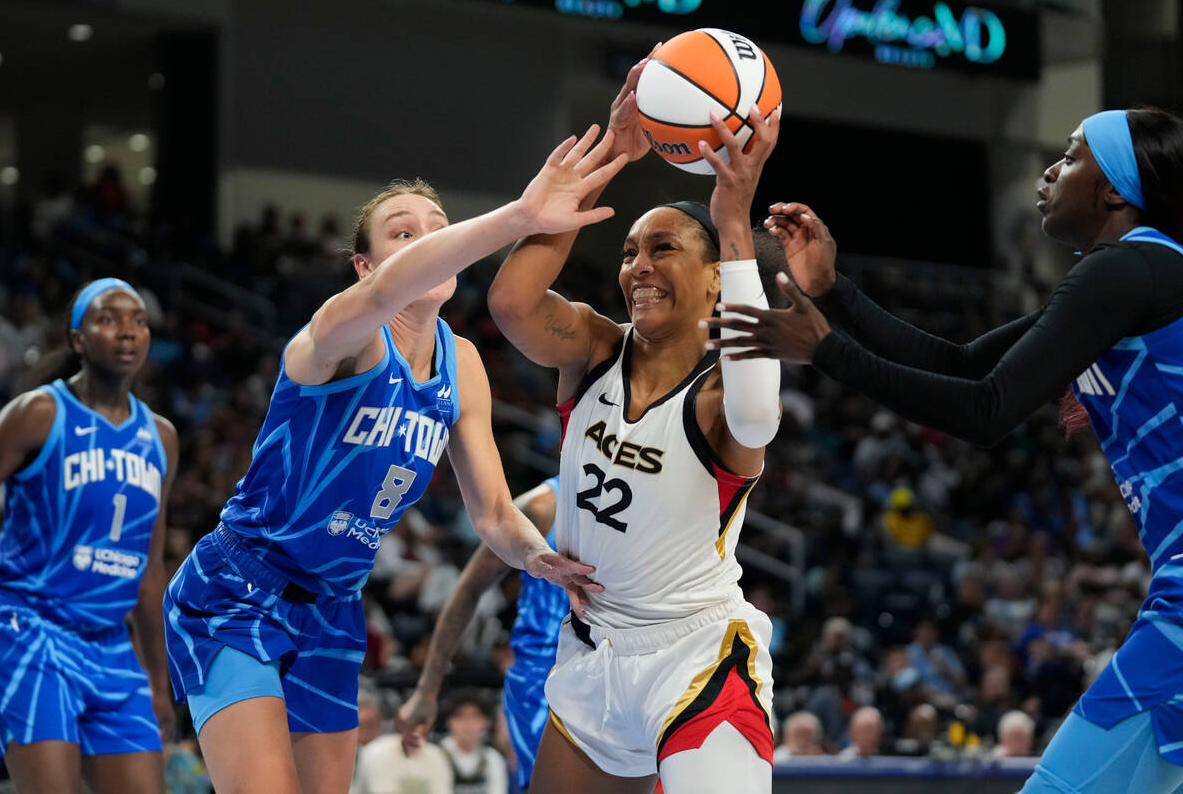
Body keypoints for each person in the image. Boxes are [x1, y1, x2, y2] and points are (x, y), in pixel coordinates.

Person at [702, 107, 1183, 793]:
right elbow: (960, 364)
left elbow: (986, 410)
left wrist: (828, 351)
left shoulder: (1127, 270)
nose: (1049, 171)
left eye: (1071, 157)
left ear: (1114, 190)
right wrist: (834, 292)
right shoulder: (1135, 276)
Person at [162, 128, 625, 794]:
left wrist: (535, 555)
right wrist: (521, 217)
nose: (429, 240)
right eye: (404, 234)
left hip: (334, 608)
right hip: (241, 590)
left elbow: (493, 510)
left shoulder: (461, 363)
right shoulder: (344, 333)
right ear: (365, 266)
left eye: (438, 228)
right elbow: (386, 298)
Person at [485, 56, 785, 794]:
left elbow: (760, 412)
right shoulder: (594, 347)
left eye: (664, 249)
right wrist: (616, 154)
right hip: (591, 654)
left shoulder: (720, 396)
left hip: (697, 657)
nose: (639, 266)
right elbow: (512, 305)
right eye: (628, 252)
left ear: (715, 277)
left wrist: (733, 222)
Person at [0, 278, 177, 793]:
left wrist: (159, 683)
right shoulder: (38, 414)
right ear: (77, 339)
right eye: (108, 319)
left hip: (110, 644)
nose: (127, 332)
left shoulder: (160, 438)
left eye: (138, 320)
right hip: (28, 627)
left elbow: (149, 570)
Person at [396, 478, 564, 792]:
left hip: (621, 668)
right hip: (544, 681)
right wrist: (427, 688)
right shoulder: (543, 506)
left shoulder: (653, 502)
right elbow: (469, 587)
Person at [438, 695, 507, 794]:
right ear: (449, 721)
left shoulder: (493, 758)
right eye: (461, 717)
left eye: (475, 717)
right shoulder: (436, 756)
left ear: (485, 723)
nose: (468, 724)